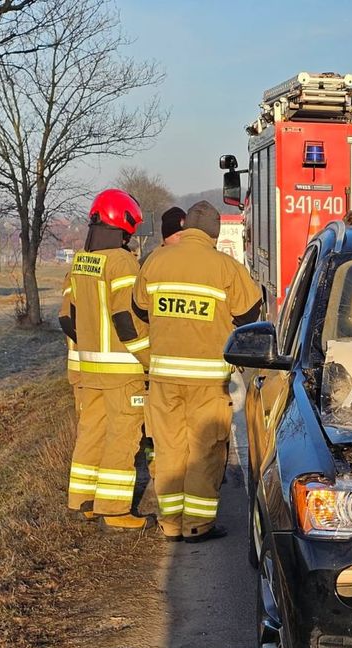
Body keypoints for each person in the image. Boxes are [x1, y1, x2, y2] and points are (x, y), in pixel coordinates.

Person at [133, 201, 262, 543]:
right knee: (205, 450)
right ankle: (196, 525)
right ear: (214, 234)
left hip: (163, 379)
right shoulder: (226, 268)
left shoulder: (155, 261)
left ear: (186, 226)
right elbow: (250, 316)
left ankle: (171, 523)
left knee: (169, 448)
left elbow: (139, 308)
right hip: (208, 381)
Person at [59, 189, 154, 531]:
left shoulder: (82, 260)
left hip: (88, 369)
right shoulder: (122, 261)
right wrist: (147, 358)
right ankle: (114, 510)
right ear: (122, 223)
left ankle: (84, 501)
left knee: (91, 432)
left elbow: (66, 318)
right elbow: (126, 319)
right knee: (123, 435)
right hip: (121, 371)